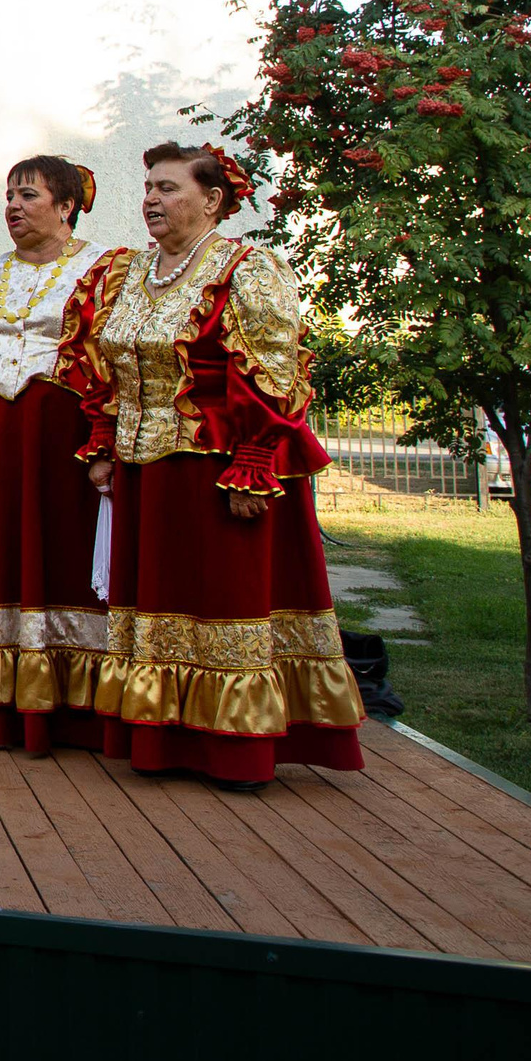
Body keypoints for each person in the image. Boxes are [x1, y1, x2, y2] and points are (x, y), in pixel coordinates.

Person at [67, 142, 364, 788]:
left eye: (168, 187)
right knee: (164, 612)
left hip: (215, 470)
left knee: (222, 608)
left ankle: (232, 749)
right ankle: (166, 738)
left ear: (212, 200)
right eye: (148, 186)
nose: (151, 198)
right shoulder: (131, 273)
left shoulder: (245, 269)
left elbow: (273, 373)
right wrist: (104, 441)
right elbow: (107, 366)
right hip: (149, 470)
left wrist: (254, 460)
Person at [0, 157, 113, 754]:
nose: (12, 206)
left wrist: (102, 442)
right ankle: (2, 698)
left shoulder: (101, 271)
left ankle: (72, 709)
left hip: (62, 443)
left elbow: (108, 364)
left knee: (59, 555)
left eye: (28, 195)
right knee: (0, 557)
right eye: (8, 196)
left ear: (67, 206)